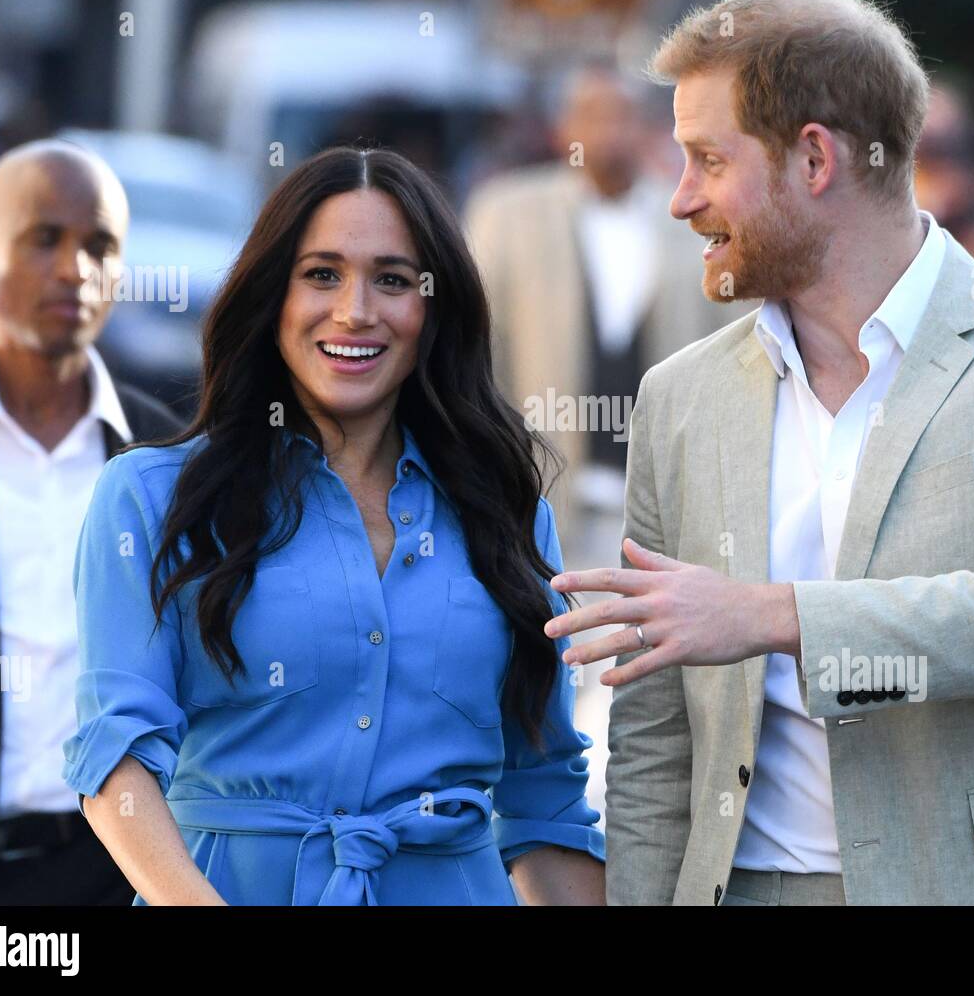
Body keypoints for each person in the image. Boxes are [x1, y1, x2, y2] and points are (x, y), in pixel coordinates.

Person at [548, 0, 974, 906]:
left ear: (815, 157)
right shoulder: (679, 397)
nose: (680, 198)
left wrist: (776, 615)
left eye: (705, 159)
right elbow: (656, 741)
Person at [61, 146, 606, 905]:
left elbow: (545, 799)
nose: (355, 311)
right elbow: (115, 758)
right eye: (321, 274)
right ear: (271, 296)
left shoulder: (507, 512)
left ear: (432, 308)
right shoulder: (151, 498)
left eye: (391, 279)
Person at [0, 140, 182, 905]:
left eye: (99, 246)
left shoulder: (161, 460)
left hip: (108, 875)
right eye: (45, 239)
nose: (75, 268)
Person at [464, 62, 750, 552]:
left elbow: (737, 347)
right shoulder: (508, 216)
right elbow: (477, 353)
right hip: (544, 508)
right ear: (563, 129)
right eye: (591, 115)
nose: (608, 131)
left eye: (623, 115)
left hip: (668, 516)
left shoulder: (692, 220)